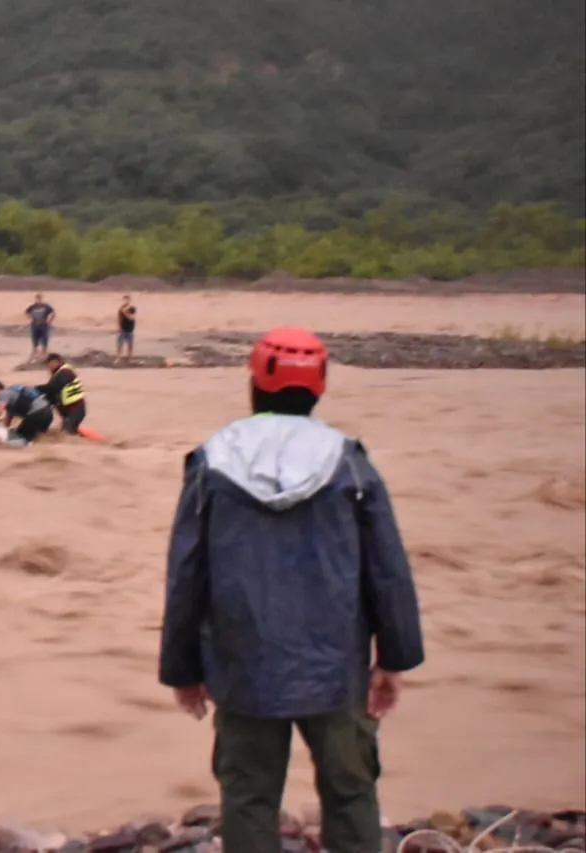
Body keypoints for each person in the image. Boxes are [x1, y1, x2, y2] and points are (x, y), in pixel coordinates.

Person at [157, 326, 425, 853]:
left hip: (243, 667)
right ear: (320, 387)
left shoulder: (212, 461)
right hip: (337, 669)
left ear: (254, 383)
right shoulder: (349, 462)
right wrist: (393, 658)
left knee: (250, 796)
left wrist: (183, 669)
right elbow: (388, 568)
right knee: (350, 794)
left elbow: (186, 572)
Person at [0, 379, 53, 444]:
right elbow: (7, 421)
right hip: (48, 412)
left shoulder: (4, 393)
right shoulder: (14, 392)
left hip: (37, 414)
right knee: (38, 439)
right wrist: (0, 426)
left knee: (21, 439)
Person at [36, 353, 87, 435]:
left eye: (48, 364)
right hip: (68, 411)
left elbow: (52, 388)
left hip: (76, 409)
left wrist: (34, 389)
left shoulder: (65, 372)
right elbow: (51, 396)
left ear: (56, 362)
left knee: (66, 434)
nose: (47, 367)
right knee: (67, 431)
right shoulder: (57, 374)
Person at [24, 293, 55, 361]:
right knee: (35, 339)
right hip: (35, 325)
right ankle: (34, 353)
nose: (38, 300)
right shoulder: (32, 307)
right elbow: (26, 312)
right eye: (37, 299)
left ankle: (44, 353)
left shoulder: (45, 306)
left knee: (44, 339)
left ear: (41, 299)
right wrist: (30, 319)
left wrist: (49, 320)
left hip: (43, 325)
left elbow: (53, 312)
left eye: (39, 299)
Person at [115, 294, 137, 362]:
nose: (126, 301)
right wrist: (118, 327)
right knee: (119, 344)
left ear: (129, 300)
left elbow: (132, 318)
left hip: (130, 329)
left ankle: (129, 358)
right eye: (124, 299)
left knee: (130, 345)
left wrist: (125, 313)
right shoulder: (121, 308)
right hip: (122, 329)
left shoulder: (132, 308)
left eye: (127, 299)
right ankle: (118, 357)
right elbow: (119, 318)